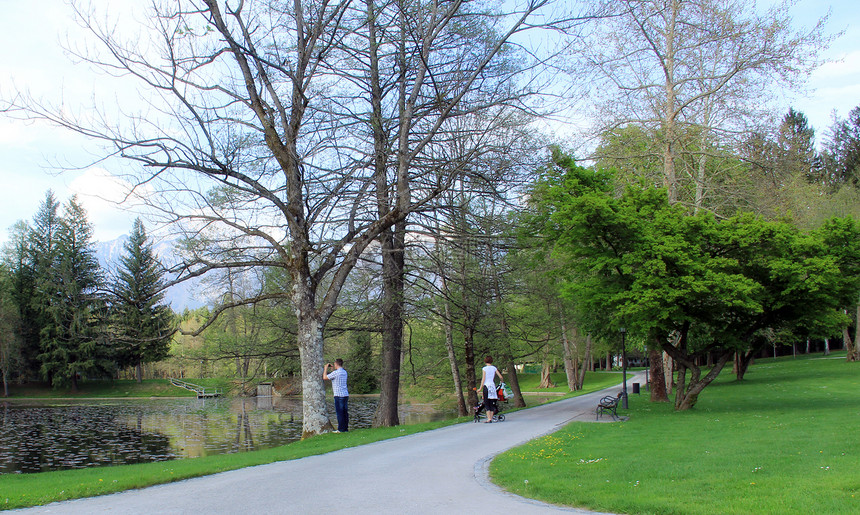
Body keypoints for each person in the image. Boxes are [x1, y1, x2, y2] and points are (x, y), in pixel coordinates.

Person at [323, 358, 349, 432]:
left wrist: (325, 369)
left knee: (339, 413)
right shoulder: (344, 372)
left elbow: (325, 377)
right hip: (345, 395)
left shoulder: (336, 373)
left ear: (336, 364)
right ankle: (345, 428)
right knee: (345, 412)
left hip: (338, 395)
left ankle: (340, 429)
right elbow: (335, 377)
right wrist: (332, 370)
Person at [480, 355, 504, 423]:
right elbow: (501, 376)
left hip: (487, 386)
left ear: (485, 361)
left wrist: (480, 388)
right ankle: (491, 417)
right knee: (492, 402)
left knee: (486, 402)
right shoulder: (494, 368)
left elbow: (483, 379)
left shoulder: (484, 369)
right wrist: (501, 382)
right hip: (492, 386)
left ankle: (489, 418)